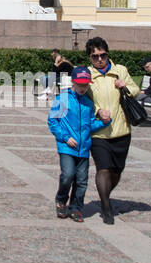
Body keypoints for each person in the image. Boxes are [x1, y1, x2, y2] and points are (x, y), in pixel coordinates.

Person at [84, 36, 137, 225]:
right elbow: (82, 99)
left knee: (117, 170)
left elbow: (135, 89)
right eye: (95, 56)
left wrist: (126, 86)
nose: (99, 59)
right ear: (89, 58)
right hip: (99, 132)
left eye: (102, 55)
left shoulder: (120, 70)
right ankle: (106, 208)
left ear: (107, 54)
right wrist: (98, 111)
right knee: (103, 168)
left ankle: (105, 194)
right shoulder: (87, 75)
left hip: (122, 130)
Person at [47, 67, 110, 222]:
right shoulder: (63, 99)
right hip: (67, 147)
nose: (83, 88)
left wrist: (105, 122)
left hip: (83, 148)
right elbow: (53, 121)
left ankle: (76, 207)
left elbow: (90, 125)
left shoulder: (88, 104)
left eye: (85, 85)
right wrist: (65, 137)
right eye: (80, 84)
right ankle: (61, 200)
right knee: (68, 175)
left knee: (82, 181)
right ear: (73, 83)